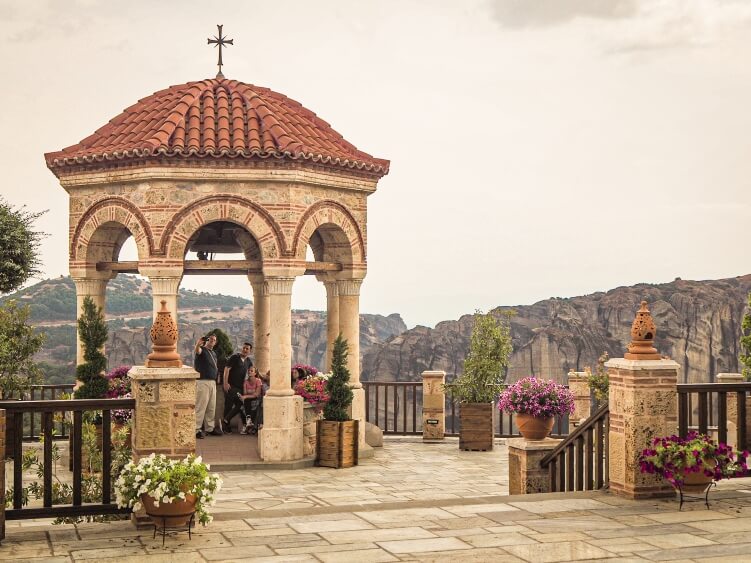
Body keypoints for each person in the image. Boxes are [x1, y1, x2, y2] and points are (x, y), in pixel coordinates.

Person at [194, 334, 222, 438]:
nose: (212, 341)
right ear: (207, 341)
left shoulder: (213, 353)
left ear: (215, 342)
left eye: (214, 340)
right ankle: (196, 429)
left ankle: (209, 428)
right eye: (210, 340)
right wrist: (198, 343)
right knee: (200, 406)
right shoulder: (202, 350)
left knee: (211, 407)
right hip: (203, 382)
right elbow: (197, 350)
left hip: (212, 382)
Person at [221, 342, 253, 433]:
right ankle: (226, 427)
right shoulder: (235, 357)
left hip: (240, 387)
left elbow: (253, 371)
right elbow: (227, 369)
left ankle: (226, 421)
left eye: (247, 349)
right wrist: (225, 383)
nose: (245, 350)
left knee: (240, 405)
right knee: (228, 405)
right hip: (231, 386)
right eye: (244, 348)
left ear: (250, 351)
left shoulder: (248, 361)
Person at [240, 366, 263, 435]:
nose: (249, 372)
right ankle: (248, 421)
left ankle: (248, 423)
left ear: (255, 373)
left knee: (246, 400)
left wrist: (246, 396)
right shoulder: (246, 382)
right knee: (243, 404)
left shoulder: (258, 381)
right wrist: (246, 395)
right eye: (249, 370)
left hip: (257, 399)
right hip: (249, 399)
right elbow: (245, 393)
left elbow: (256, 394)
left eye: (251, 371)